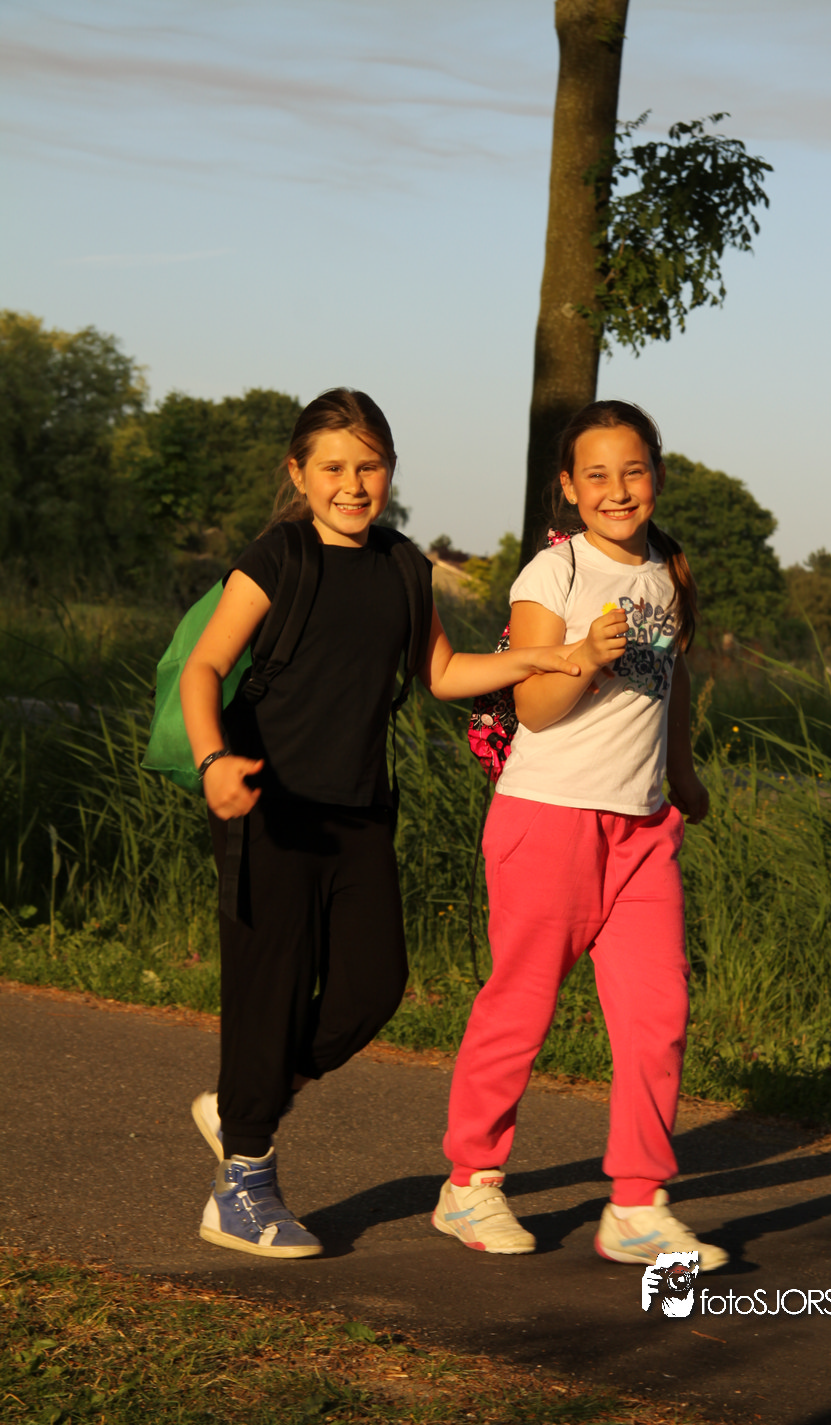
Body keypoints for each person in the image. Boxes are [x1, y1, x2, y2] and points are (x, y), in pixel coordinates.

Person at [180, 387, 580, 1260]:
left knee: (374, 985)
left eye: (369, 465)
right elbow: (205, 666)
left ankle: (247, 1100)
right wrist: (214, 764)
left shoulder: (404, 564)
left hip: (360, 811)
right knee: (270, 990)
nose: (352, 484)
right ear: (298, 474)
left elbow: (441, 671)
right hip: (267, 805)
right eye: (333, 467)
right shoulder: (278, 557)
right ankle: (241, 1185)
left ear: (391, 470)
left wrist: (542, 657)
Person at [432, 399, 728, 1271]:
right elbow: (533, 706)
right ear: (568, 486)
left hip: (642, 827)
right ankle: (469, 1182)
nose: (617, 489)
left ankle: (636, 1204)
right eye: (596, 474)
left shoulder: (667, 572)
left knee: (657, 1012)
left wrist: (682, 777)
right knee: (520, 1005)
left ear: (657, 476)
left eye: (633, 470)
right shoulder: (552, 574)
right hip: (548, 815)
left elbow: (671, 683)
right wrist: (584, 658)